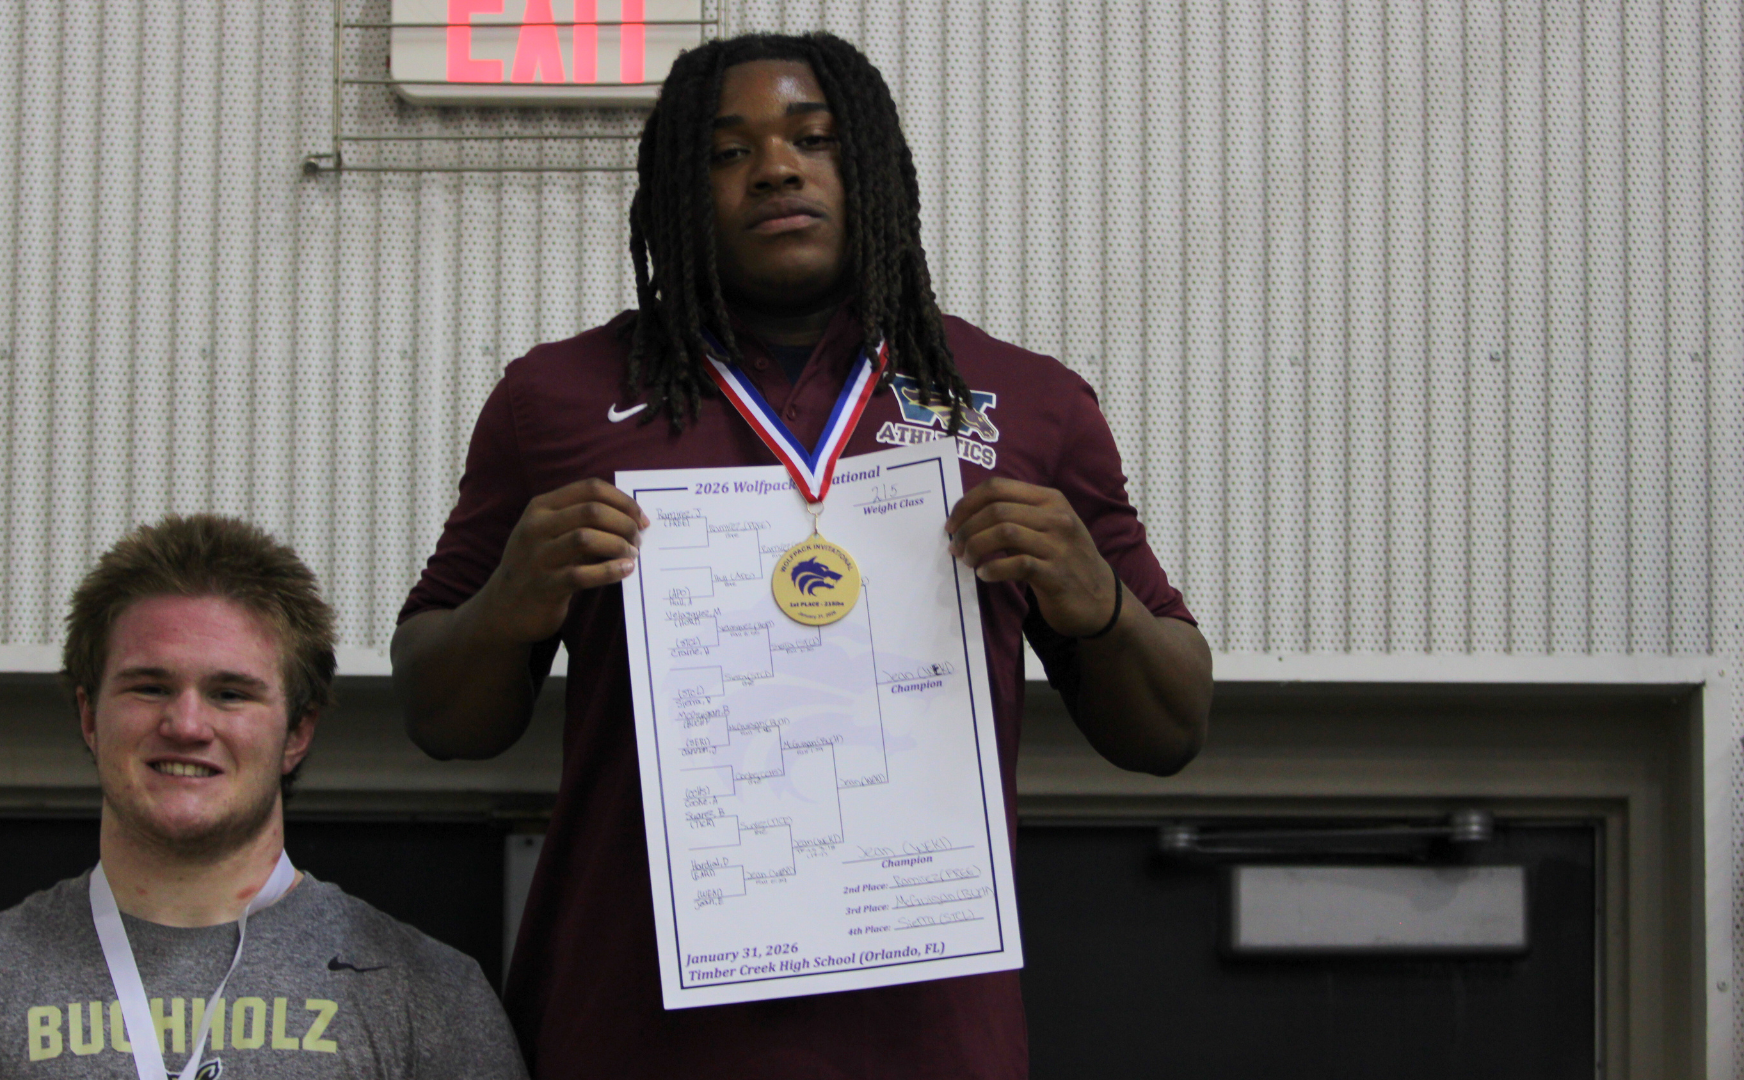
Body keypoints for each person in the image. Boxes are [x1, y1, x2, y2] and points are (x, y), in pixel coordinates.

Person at [393, 32, 1213, 1080]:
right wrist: (512, 598)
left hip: (926, 1027)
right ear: (675, 196)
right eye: (727, 152)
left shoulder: (1027, 404)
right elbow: (438, 716)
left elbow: (1171, 728)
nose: (777, 166)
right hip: (637, 1022)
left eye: (814, 139)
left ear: (872, 168)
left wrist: (1100, 604)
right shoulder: (555, 399)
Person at [0, 514, 526, 1080]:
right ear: (88, 716)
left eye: (230, 693)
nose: (187, 725)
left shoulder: (429, 997)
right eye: (149, 687)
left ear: (298, 731)